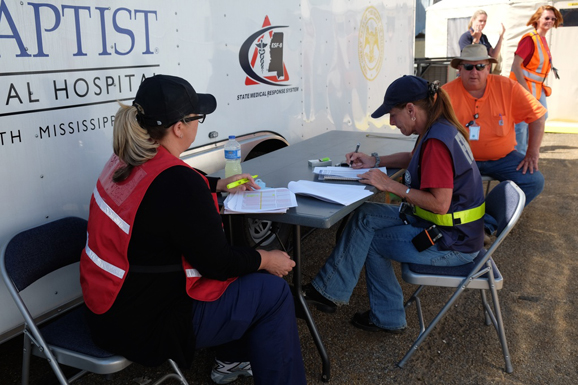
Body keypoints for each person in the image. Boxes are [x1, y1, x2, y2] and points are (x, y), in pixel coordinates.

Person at [79, 74, 306, 385]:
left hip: (108, 311)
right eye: (197, 116)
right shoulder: (179, 184)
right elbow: (218, 264)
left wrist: (217, 183)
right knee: (273, 291)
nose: (199, 122)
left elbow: (167, 182)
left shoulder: (123, 159)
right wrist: (267, 259)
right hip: (146, 325)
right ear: (179, 127)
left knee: (248, 273)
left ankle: (231, 360)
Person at [302, 75, 485, 333]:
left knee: (371, 241)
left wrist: (390, 185)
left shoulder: (435, 142)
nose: (391, 121)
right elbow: (412, 158)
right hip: (453, 231)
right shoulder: (437, 128)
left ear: (411, 109)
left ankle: (385, 316)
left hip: (453, 243)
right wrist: (374, 160)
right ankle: (329, 290)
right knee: (365, 216)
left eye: (393, 114)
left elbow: (440, 204)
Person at [442, 44, 547, 234]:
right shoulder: (444, 94)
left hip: (503, 158)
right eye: (468, 67)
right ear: (459, 69)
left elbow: (537, 116)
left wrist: (532, 152)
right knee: (439, 181)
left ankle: (487, 224)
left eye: (480, 66)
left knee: (534, 180)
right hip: (461, 159)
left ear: (488, 68)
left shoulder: (507, 86)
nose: (474, 72)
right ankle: (460, 226)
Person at [510, 5, 563, 155]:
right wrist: (525, 90)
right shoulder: (530, 39)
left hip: (538, 88)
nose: (550, 21)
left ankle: (527, 153)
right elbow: (516, 65)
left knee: (540, 117)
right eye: (547, 18)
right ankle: (518, 155)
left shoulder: (542, 40)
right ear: (537, 19)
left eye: (553, 19)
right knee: (521, 123)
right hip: (525, 88)